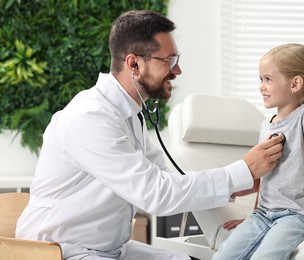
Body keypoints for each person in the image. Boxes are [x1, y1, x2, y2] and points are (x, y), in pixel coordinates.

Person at [15, 10, 284, 260]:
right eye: (170, 61)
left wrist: (241, 182)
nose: (177, 71)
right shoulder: (89, 118)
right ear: (134, 64)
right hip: (58, 252)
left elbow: (166, 177)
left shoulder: (128, 115)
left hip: (110, 249)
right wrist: (241, 171)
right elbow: (155, 193)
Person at [212, 43, 304, 260]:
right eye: (260, 79)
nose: (261, 86)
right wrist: (253, 217)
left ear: (295, 83)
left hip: (297, 215)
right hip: (263, 215)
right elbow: (265, 174)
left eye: (268, 79)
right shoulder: (265, 125)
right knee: (222, 256)